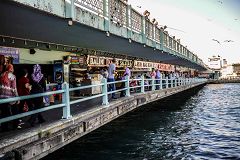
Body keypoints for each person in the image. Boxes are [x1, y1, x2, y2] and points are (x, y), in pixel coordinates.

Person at [0, 64, 20, 131]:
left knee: (4, 112)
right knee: (15, 110)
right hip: (10, 97)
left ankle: (4, 127)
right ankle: (15, 125)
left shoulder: (1, 75)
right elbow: (14, 89)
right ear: (12, 69)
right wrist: (17, 98)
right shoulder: (12, 76)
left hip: (2, 97)